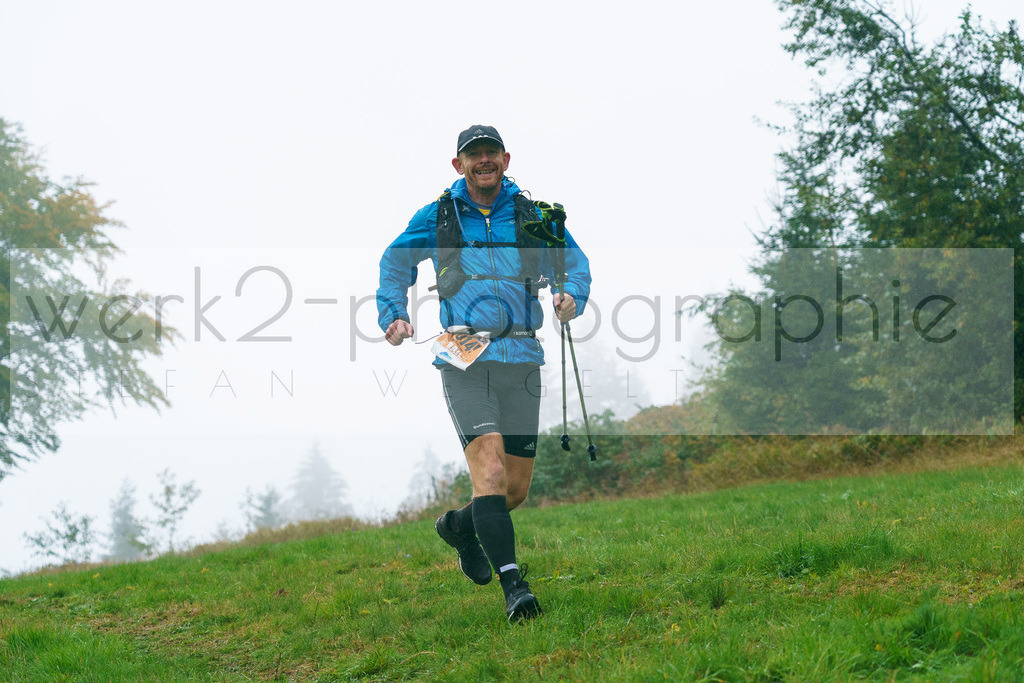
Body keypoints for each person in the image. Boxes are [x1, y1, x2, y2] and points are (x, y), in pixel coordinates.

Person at [376, 125, 591, 622]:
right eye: (474, 156)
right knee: (489, 471)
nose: (483, 162)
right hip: (462, 352)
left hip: (522, 354)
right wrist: (394, 313)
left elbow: (573, 263)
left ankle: (458, 526)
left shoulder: (532, 215)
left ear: (506, 159)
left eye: (491, 153)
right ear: (459, 165)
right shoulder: (438, 215)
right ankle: (515, 587)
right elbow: (395, 262)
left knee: (512, 489)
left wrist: (570, 294)